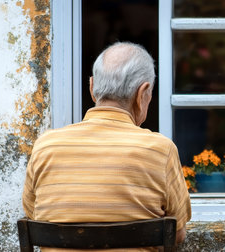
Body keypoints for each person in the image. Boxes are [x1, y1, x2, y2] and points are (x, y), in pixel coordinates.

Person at [22, 42, 191, 252]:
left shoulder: (45, 146)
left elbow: (34, 217)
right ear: (143, 93)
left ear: (92, 88)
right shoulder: (160, 150)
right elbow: (178, 233)